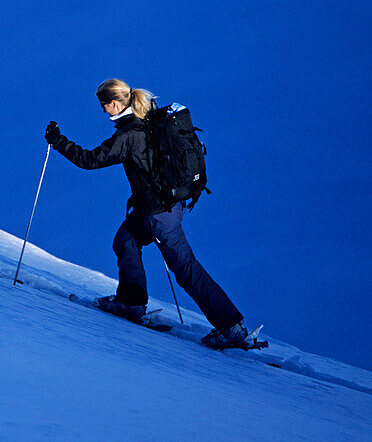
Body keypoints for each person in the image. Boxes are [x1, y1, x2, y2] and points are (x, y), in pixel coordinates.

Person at [44, 78, 251, 349]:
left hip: (159, 214)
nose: (104, 112)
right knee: (125, 240)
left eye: (104, 106)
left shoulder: (129, 134)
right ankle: (131, 302)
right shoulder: (151, 118)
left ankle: (231, 327)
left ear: (114, 103)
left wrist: (58, 141)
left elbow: (90, 160)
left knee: (185, 268)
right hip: (159, 207)